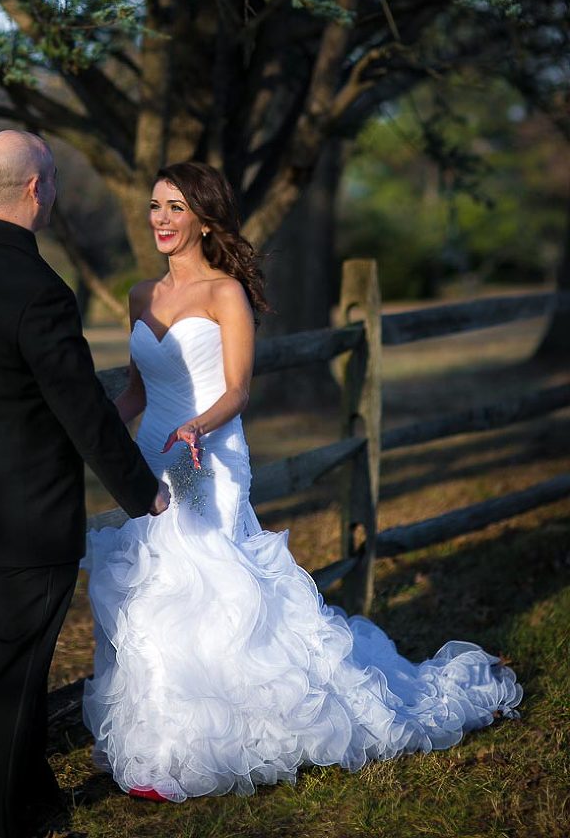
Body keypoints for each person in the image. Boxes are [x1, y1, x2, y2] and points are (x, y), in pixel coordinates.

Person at [82, 161, 522, 803]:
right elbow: (137, 391)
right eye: (155, 206)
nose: (162, 220)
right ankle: (164, 749)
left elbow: (236, 390)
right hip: (152, 454)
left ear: (204, 218)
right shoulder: (139, 295)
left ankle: (238, 734)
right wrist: (97, 431)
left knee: (216, 581)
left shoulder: (226, 293)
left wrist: (196, 430)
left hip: (209, 452)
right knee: (155, 590)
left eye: (176, 207)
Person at [0, 130, 169, 838]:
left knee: (15, 660)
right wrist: (141, 490)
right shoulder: (40, 291)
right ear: (37, 189)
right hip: (35, 511)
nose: (54, 192)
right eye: (53, 180)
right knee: (16, 671)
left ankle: (31, 798)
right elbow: (81, 410)